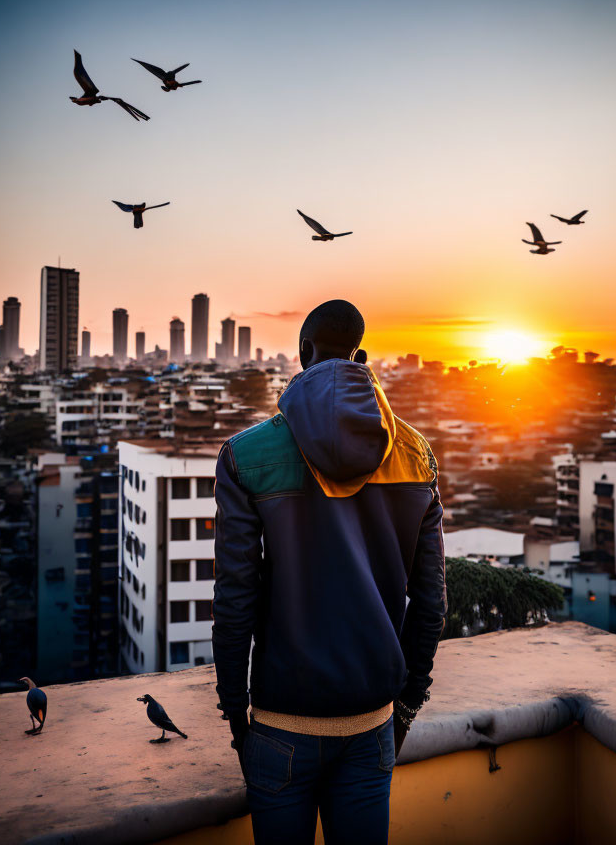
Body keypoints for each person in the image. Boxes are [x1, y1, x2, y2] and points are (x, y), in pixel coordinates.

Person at [212, 299, 447, 845]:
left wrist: (234, 713)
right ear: (360, 354)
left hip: (280, 722)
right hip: (372, 723)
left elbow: (235, 599)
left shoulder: (246, 455)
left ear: (302, 356)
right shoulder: (415, 455)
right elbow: (431, 601)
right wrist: (408, 702)